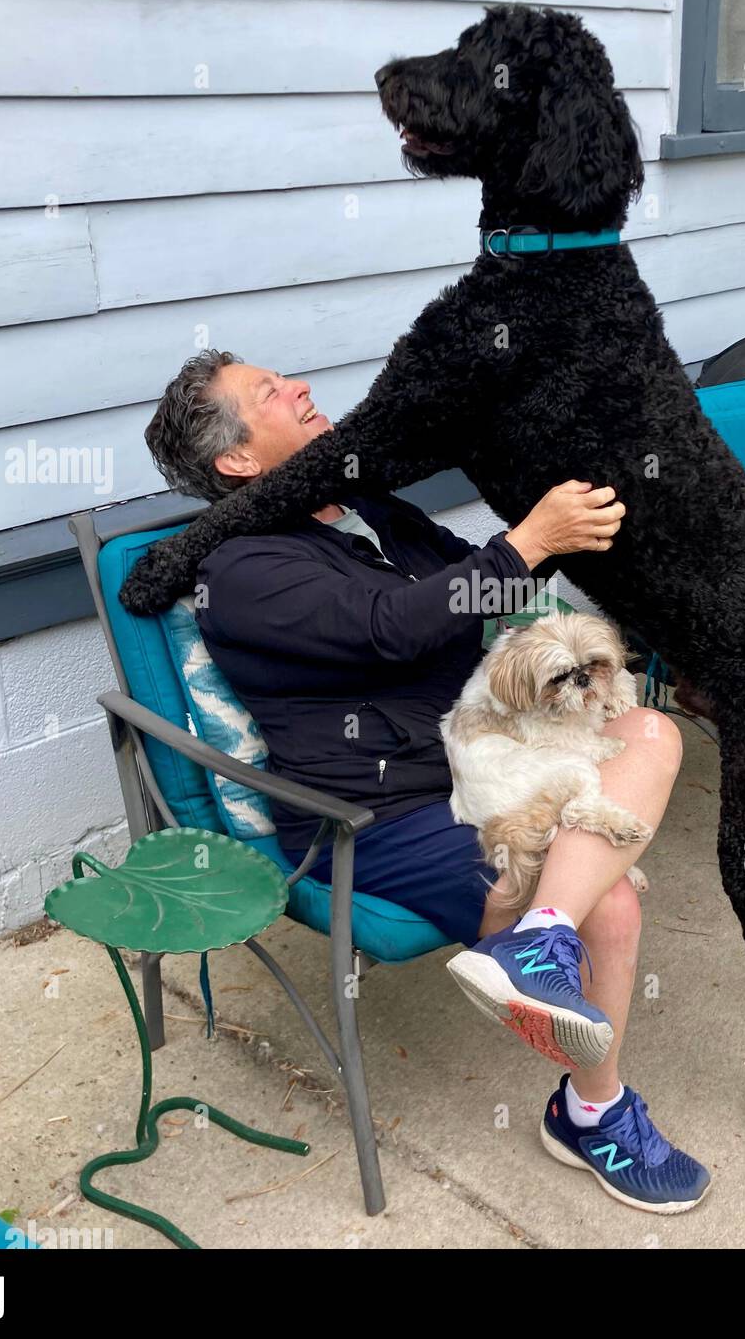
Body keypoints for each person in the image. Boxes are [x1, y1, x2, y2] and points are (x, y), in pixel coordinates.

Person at [142, 349, 710, 1212]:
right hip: (375, 813)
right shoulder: (245, 568)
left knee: (650, 729)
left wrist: (567, 533)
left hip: (480, 754)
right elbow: (396, 627)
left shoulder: (365, 506)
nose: (298, 386)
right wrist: (531, 538)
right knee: (615, 901)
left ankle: (538, 937)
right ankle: (592, 1111)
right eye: (268, 392)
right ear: (238, 460)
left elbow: (477, 588)